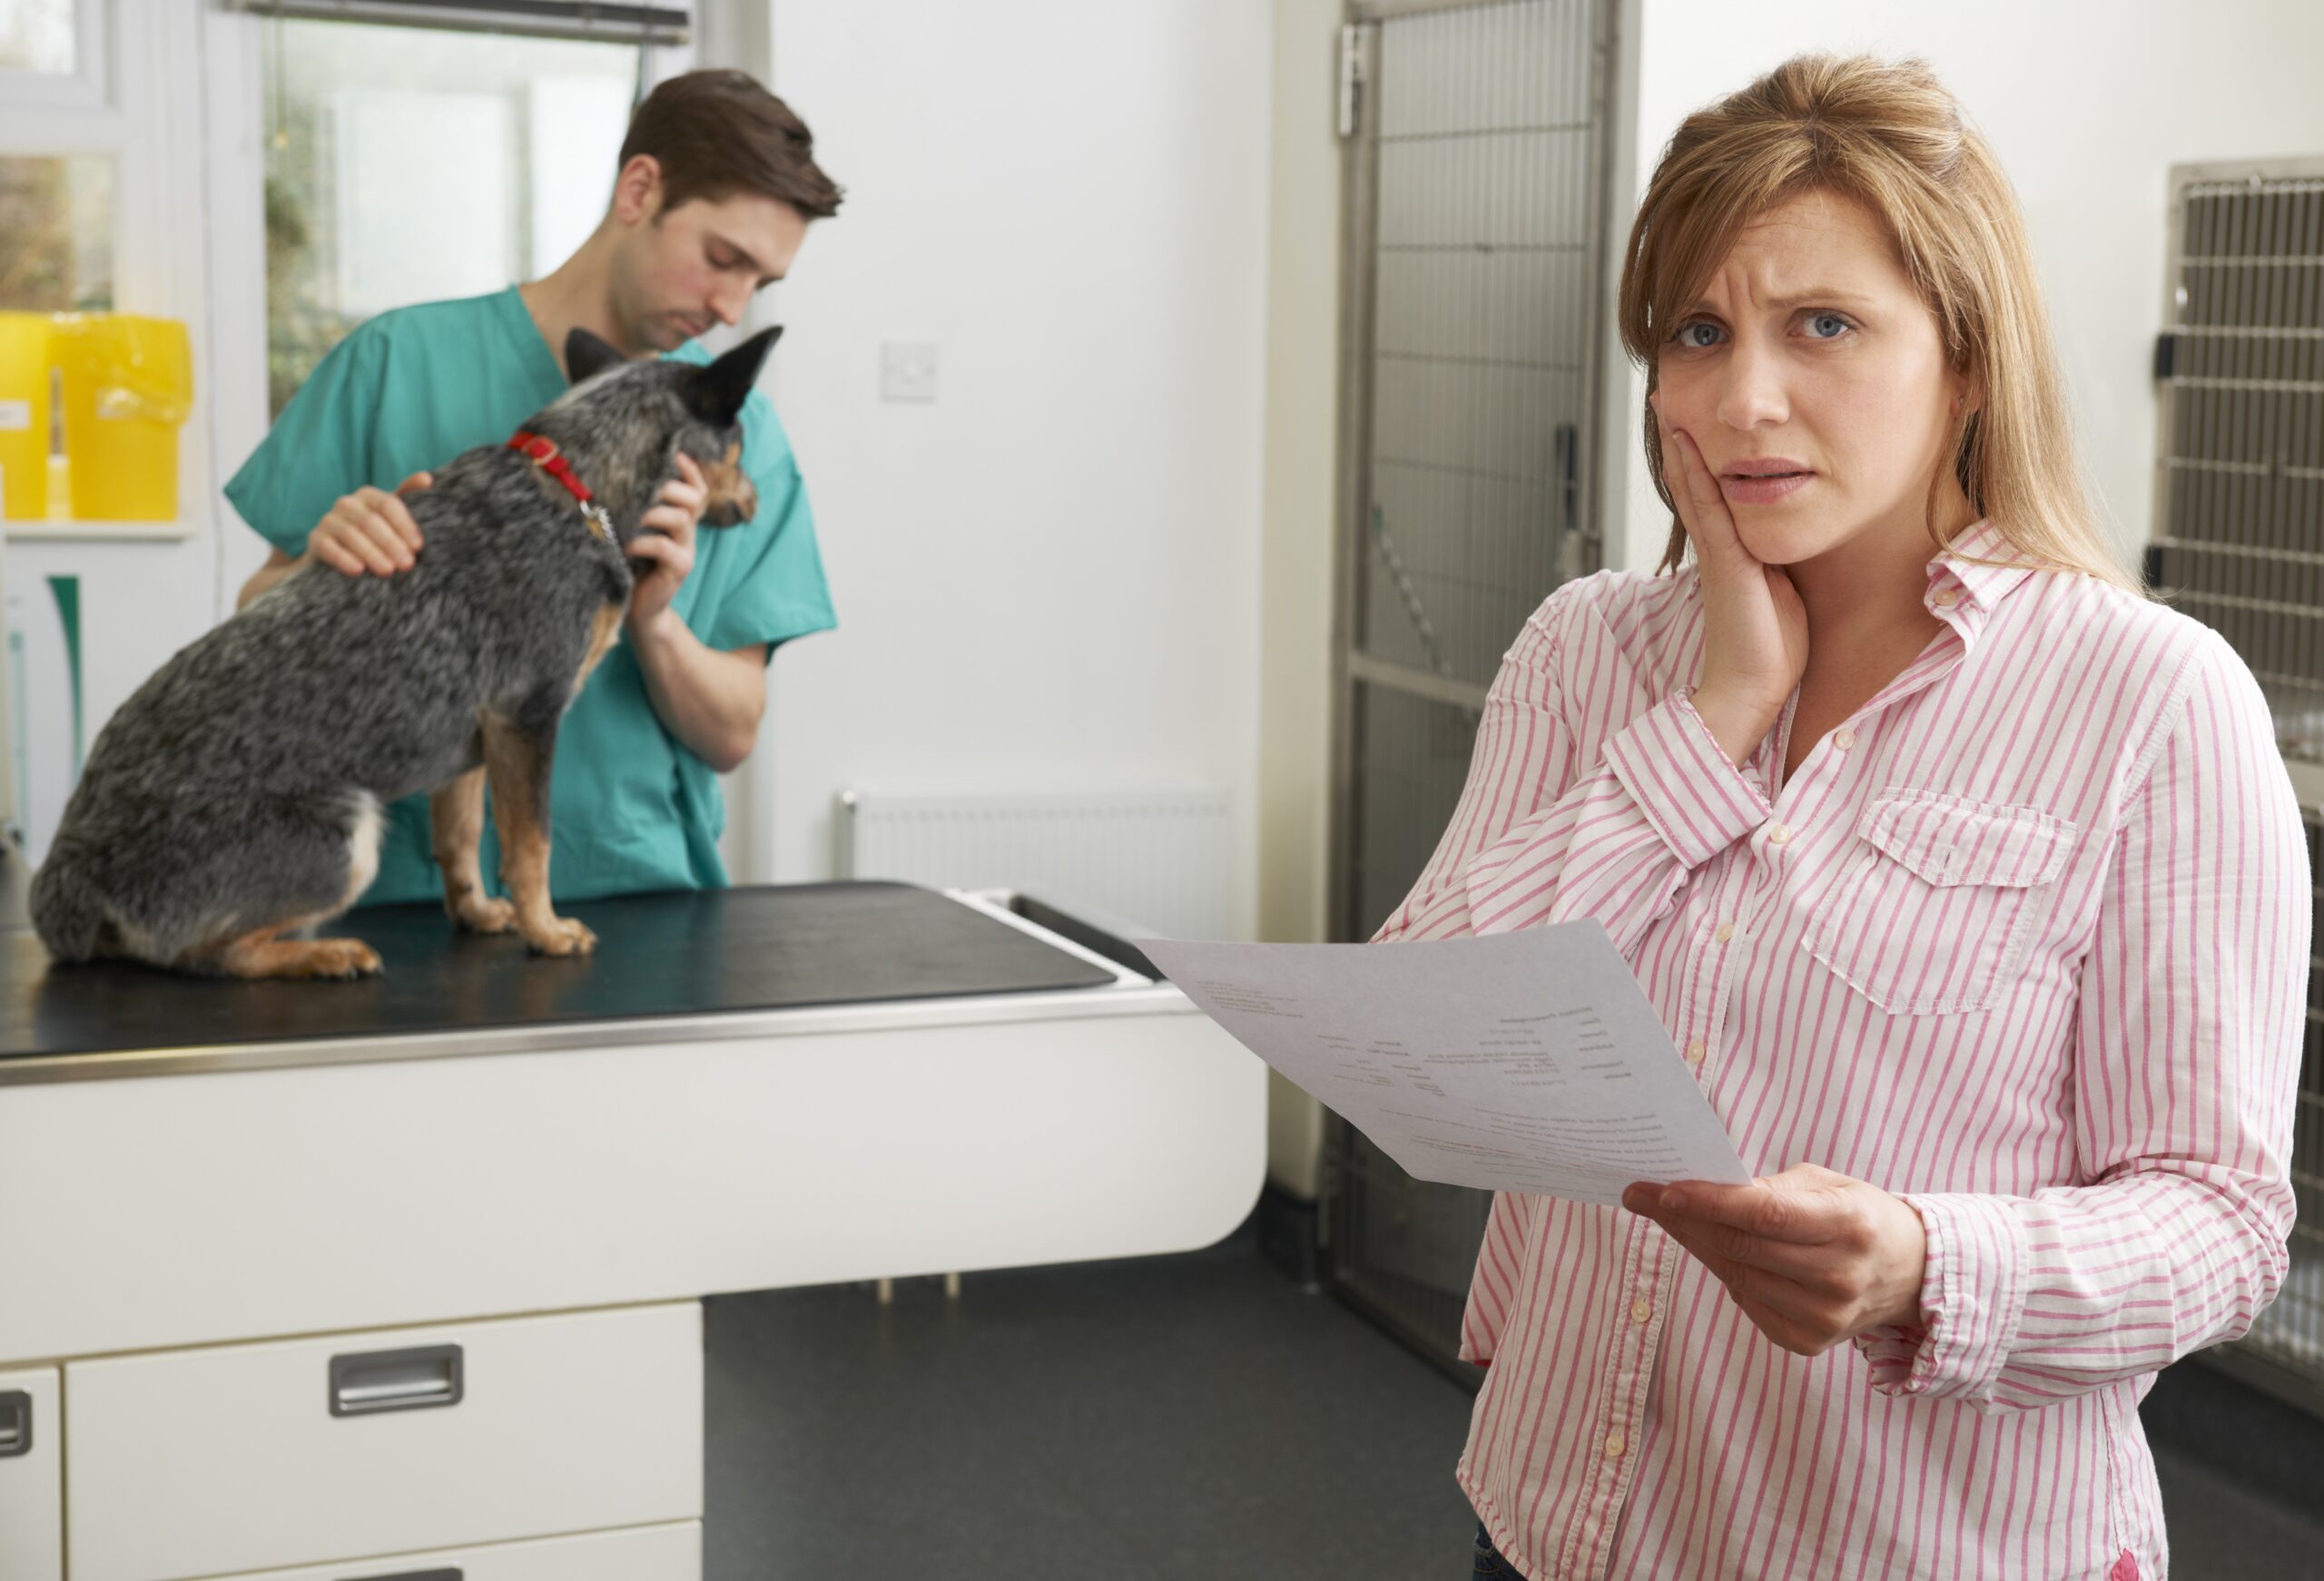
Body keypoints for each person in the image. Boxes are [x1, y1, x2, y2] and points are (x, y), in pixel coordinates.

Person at [1377, 54, 2308, 1581]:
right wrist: (1716, 710)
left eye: (1825, 325)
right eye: (1696, 331)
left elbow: (2217, 1225)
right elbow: (1429, 1049)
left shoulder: (2150, 700)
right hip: (1556, 1532)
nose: (1744, 397)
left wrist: (1928, 1265)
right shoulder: (1590, 650)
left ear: (1967, 360)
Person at [229, 70, 842, 905]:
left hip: (639, 896)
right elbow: (251, 624)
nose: (732, 307)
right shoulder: (394, 365)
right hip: (400, 900)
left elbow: (733, 734)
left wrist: (654, 622)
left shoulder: (741, 433)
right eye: (722, 258)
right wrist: (317, 568)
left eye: (760, 284)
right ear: (639, 189)